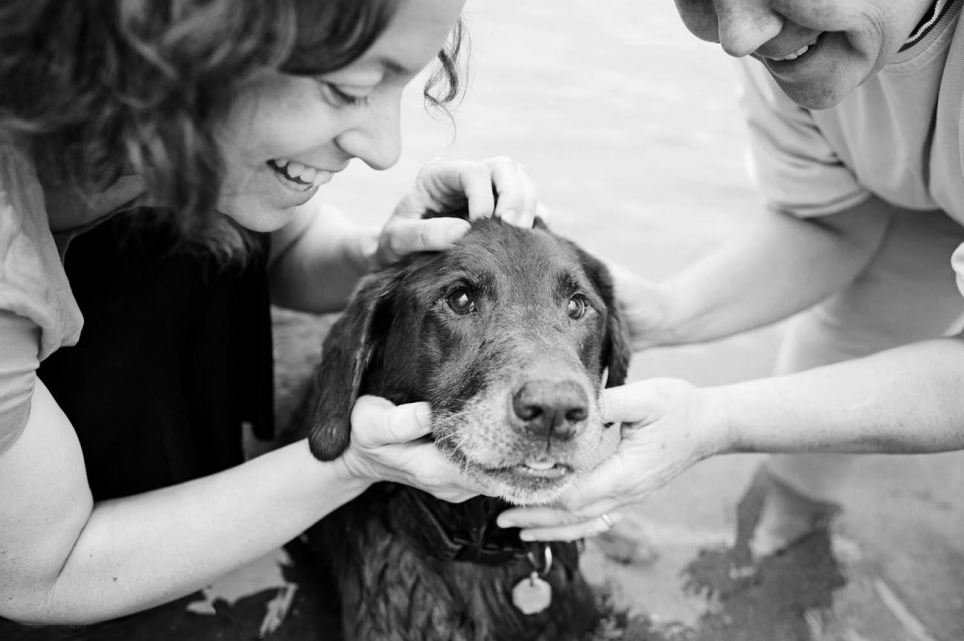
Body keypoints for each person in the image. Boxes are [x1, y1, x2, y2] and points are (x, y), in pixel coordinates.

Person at [0, 0, 540, 625]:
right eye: (349, 89)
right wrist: (353, 462)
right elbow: (39, 576)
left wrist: (382, 251)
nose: (386, 150)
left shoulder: (146, 121)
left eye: (405, 85)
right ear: (177, 46)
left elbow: (286, 249)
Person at [498, 0, 964, 555]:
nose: (739, 38)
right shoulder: (799, 39)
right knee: (795, 475)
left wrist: (716, 422)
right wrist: (669, 311)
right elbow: (835, 222)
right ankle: (788, 541)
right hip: (921, 208)